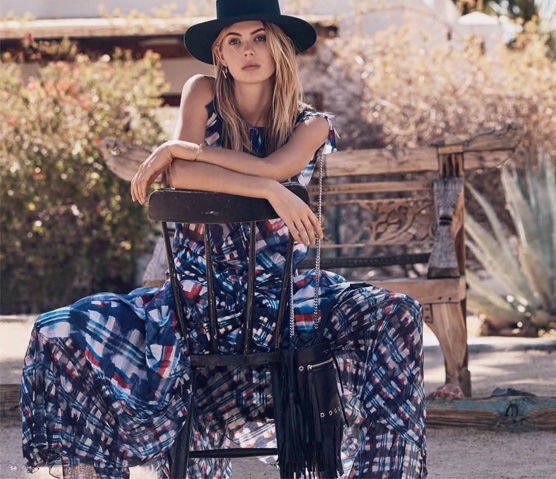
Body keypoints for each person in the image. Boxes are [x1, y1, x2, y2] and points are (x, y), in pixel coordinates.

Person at [20, 0, 427, 477]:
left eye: (259, 37)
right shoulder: (202, 92)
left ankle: (382, 473)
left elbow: (269, 165)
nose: (247, 50)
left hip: (284, 303)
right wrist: (265, 189)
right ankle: (92, 469)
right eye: (234, 40)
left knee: (398, 312)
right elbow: (184, 177)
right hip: (196, 300)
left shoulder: (311, 124)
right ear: (219, 52)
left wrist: (187, 154)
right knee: (59, 328)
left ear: (280, 47)